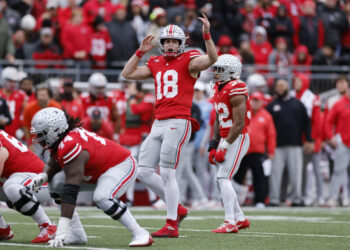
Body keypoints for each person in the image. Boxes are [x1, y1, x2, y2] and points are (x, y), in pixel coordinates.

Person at [121, 14, 218, 237]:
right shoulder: (155, 62)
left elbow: (212, 59)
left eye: (174, 41)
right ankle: (179, 208)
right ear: (162, 44)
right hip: (159, 122)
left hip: (179, 120)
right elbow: (127, 74)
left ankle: (171, 223)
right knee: (143, 171)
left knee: (166, 172)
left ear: (181, 43)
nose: (171, 45)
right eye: (167, 41)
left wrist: (207, 35)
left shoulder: (190, 59)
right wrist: (140, 52)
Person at [30, 107, 153, 247]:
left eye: (43, 133)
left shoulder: (70, 144)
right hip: (99, 170)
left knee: (102, 197)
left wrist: (61, 230)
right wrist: (44, 175)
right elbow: (53, 162)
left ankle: (140, 233)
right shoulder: (62, 139)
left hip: (120, 164)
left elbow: (71, 191)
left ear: (55, 130)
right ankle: (76, 233)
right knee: (56, 183)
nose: (39, 138)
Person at [207, 54, 250, 233]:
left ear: (232, 72)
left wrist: (224, 147)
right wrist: (213, 144)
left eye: (220, 70)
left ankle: (230, 221)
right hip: (226, 137)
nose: (216, 73)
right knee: (221, 179)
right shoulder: (218, 88)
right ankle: (239, 218)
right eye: (215, 69)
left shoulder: (236, 88)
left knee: (223, 178)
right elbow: (218, 119)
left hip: (237, 137)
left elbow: (239, 124)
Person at [0, 129, 57, 243]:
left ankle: (47, 226)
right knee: (10, 186)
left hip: (40, 182)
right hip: (24, 179)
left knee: (11, 187)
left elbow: (2, 156)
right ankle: (2, 229)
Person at [266, 78, 313, 206]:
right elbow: (267, 126)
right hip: (277, 146)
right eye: (278, 86)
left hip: (295, 144)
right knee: (275, 174)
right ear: (275, 89)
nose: (280, 88)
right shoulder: (271, 105)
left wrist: (308, 139)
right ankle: (274, 199)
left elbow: (306, 123)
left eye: (282, 86)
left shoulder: (297, 104)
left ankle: (297, 199)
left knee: (296, 174)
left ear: (287, 87)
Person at [234, 92, 276, 208]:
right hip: (243, 150)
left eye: (257, 100)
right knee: (238, 175)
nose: (254, 102)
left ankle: (260, 200)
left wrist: (271, 151)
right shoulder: (244, 113)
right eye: (253, 100)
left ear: (262, 102)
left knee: (260, 177)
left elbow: (271, 135)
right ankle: (235, 199)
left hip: (258, 151)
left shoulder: (266, 116)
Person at [324, 79, 350, 207]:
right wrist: (330, 137)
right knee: (338, 171)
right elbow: (328, 121)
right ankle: (333, 198)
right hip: (343, 143)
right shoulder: (339, 104)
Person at [0, 67, 27, 138]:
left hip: (15, 132)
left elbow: (26, 113)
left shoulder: (21, 95)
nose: (12, 83)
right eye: (10, 81)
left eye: (14, 81)